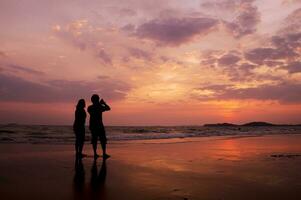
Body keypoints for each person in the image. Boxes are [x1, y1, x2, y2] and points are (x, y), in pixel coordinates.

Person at [88, 94, 111, 159]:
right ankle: (103, 153)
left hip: (93, 126)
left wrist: (101, 104)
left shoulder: (90, 107)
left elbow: (108, 108)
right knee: (102, 140)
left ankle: (95, 153)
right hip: (99, 125)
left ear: (92, 100)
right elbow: (108, 108)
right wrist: (103, 103)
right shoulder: (98, 107)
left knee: (95, 140)